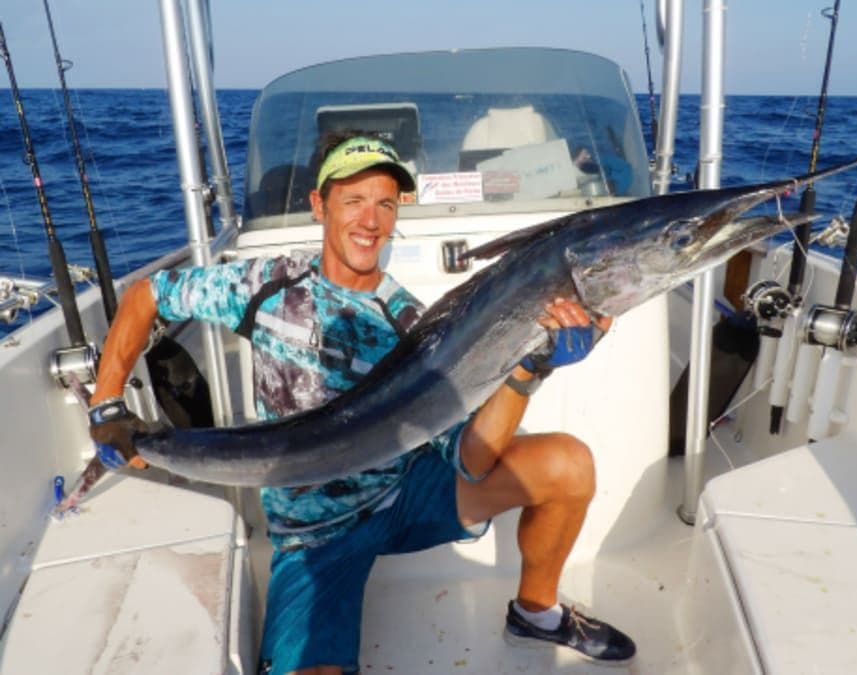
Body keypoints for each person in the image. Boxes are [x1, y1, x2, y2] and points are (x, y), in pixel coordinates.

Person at [87, 131, 636, 674]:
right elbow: (147, 295)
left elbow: (471, 462)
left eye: (385, 205)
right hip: (314, 536)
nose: (370, 221)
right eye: (353, 200)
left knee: (567, 465)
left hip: (403, 498)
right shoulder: (268, 285)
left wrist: (530, 368)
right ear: (319, 205)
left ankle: (535, 614)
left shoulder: (411, 323)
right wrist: (107, 403)